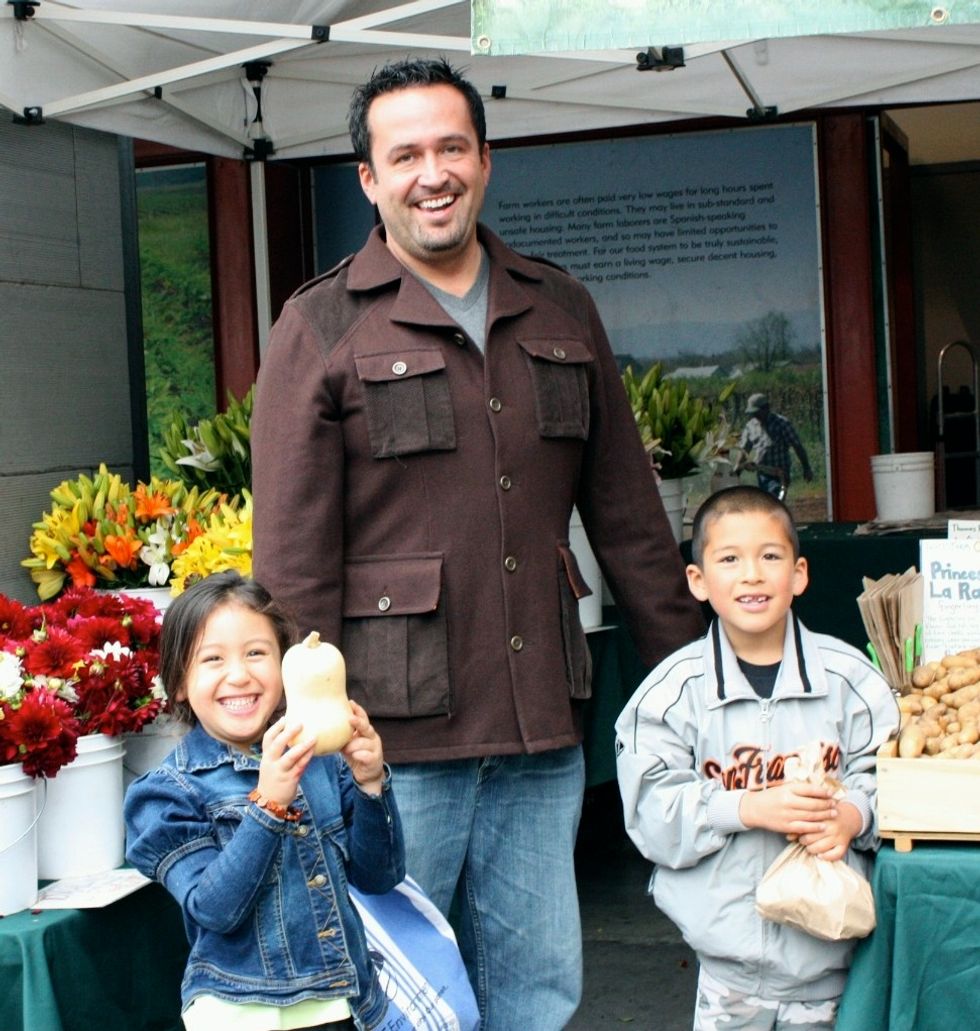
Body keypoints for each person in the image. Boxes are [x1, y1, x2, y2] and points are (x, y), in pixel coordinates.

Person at [250, 57, 705, 1030]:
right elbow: (290, 560)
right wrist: (305, 744)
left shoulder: (558, 305)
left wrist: (691, 688)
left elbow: (627, 515)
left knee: (536, 991)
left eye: (449, 146)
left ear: (485, 161)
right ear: (368, 180)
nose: (431, 172)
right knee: (390, 994)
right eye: (403, 153)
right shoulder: (319, 323)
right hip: (384, 743)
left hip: (541, 719)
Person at [615, 486, 899, 1030]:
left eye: (770, 557)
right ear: (697, 581)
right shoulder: (673, 693)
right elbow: (651, 813)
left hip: (835, 962)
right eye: (729, 559)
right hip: (728, 976)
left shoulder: (852, 682)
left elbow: (901, 781)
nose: (751, 575)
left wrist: (854, 815)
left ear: (799, 574)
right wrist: (747, 808)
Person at [124, 571, 405, 1031]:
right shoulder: (165, 793)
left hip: (343, 1004)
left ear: (285, 667)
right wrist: (269, 804)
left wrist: (371, 783)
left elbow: (380, 877)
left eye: (257, 653)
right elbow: (213, 909)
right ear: (177, 682)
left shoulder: (322, 761)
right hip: (241, 1015)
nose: (239, 675)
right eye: (212, 659)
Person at [739, 393, 813, 499]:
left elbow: (797, 446)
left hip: (780, 475)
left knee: (775, 500)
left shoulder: (782, 423)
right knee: (766, 505)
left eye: (757, 413)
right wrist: (736, 471)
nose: (755, 416)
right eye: (753, 413)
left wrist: (806, 468)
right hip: (762, 474)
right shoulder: (750, 426)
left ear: (766, 408)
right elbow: (744, 450)